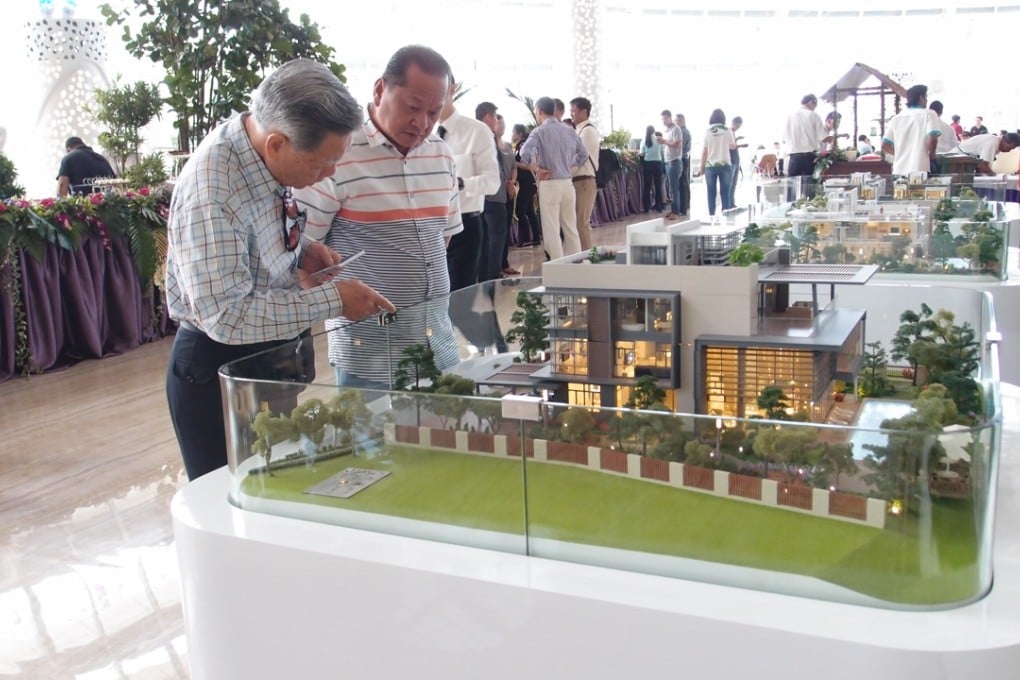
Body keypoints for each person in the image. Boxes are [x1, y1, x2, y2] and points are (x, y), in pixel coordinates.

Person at [164, 58, 394, 481]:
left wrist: (303, 250)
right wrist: (334, 300)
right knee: (241, 506)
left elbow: (256, 235)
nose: (330, 174)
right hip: (221, 372)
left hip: (269, 362)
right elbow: (227, 317)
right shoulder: (214, 190)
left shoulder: (260, 151)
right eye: (321, 163)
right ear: (276, 144)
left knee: (285, 488)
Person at [294, 45, 462, 390]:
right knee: (373, 442)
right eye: (412, 107)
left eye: (434, 112)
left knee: (443, 437)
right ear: (380, 89)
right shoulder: (338, 152)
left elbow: (442, 237)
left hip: (439, 343)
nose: (422, 123)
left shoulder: (441, 155)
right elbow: (299, 250)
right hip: (370, 353)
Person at [439, 75, 500, 291]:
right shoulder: (420, 133)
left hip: (465, 226)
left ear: (451, 89)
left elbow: (492, 182)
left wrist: (460, 183)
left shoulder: (476, 131)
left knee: (457, 296)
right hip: (427, 228)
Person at [518, 96, 589, 260]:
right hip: (567, 183)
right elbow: (583, 154)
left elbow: (524, 153)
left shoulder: (539, 131)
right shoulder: (569, 130)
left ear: (540, 111)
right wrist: (567, 165)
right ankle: (576, 264)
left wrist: (536, 168)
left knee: (552, 229)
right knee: (571, 228)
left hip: (549, 183)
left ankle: (558, 267)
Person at [475, 101, 514, 282]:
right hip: (493, 195)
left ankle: (487, 275)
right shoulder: (485, 136)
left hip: (482, 197)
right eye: (496, 118)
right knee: (496, 238)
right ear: (488, 117)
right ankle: (492, 276)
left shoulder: (474, 135)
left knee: (487, 240)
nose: (497, 123)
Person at [881, 84, 941, 175]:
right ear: (921, 98)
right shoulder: (929, 114)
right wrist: (932, 156)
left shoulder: (896, 118)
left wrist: (899, 155)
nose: (927, 100)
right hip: (920, 168)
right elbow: (932, 138)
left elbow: (885, 145)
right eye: (926, 97)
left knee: (901, 189)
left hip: (899, 170)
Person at [694, 108, 736, 220]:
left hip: (710, 166)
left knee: (711, 192)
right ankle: (726, 216)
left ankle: (711, 216)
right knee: (725, 192)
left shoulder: (708, 131)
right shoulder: (727, 130)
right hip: (725, 165)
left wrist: (702, 168)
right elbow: (732, 145)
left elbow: (704, 151)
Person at [570, 96, 599, 251]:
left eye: (573, 111)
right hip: (578, 181)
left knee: (582, 222)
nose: (571, 114)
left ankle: (588, 256)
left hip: (584, 181)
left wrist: (564, 170)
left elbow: (580, 158)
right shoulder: (579, 130)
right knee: (578, 222)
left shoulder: (587, 131)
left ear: (583, 111)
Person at [783, 94, 832, 178]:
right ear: (811, 102)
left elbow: (784, 139)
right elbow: (823, 138)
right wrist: (836, 137)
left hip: (794, 158)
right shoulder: (814, 115)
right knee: (809, 187)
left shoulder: (789, 116)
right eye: (816, 104)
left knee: (793, 187)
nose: (816, 107)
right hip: (809, 158)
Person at [511, 124, 541, 247]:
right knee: (529, 211)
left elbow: (530, 166)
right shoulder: (519, 146)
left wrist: (515, 163)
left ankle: (525, 238)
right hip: (525, 183)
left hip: (528, 182)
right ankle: (535, 237)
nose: (511, 135)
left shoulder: (524, 146)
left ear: (519, 134)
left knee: (520, 210)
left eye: (513, 132)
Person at [659, 109, 683, 219]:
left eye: (665, 119)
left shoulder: (676, 129)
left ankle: (676, 212)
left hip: (675, 162)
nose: (663, 121)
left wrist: (664, 141)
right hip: (668, 162)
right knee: (670, 189)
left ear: (670, 118)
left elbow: (677, 144)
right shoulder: (666, 130)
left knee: (674, 188)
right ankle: (673, 210)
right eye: (662, 119)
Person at [640, 125, 665, 212]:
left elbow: (642, 153)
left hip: (647, 164)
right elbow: (662, 152)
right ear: (654, 131)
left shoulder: (644, 140)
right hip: (658, 163)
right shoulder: (658, 139)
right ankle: (659, 207)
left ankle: (646, 208)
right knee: (658, 185)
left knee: (647, 186)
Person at [727, 116, 747, 208]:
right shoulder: (729, 132)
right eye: (738, 126)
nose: (738, 128)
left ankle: (731, 203)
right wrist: (741, 145)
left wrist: (737, 138)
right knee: (730, 184)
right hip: (731, 160)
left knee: (733, 184)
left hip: (735, 160)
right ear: (735, 123)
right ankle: (728, 203)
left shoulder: (732, 133)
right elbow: (731, 146)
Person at [675, 113, 693, 215]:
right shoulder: (681, 132)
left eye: (676, 121)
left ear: (681, 121)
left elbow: (685, 148)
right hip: (681, 159)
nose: (674, 123)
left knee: (682, 183)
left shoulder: (684, 132)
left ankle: (683, 208)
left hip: (682, 159)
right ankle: (684, 206)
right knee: (683, 183)